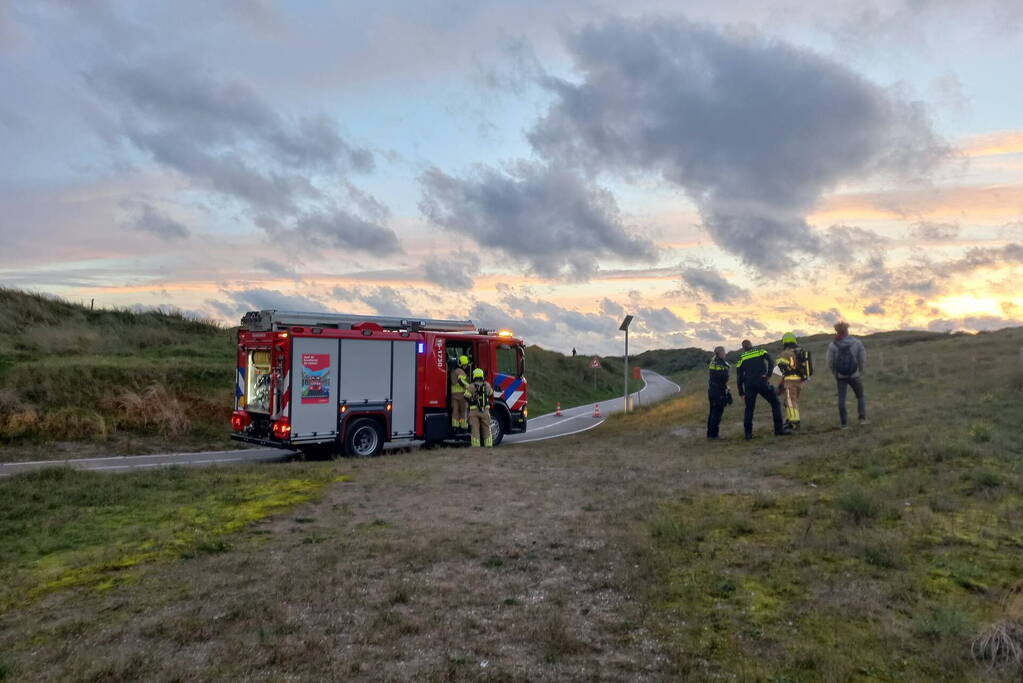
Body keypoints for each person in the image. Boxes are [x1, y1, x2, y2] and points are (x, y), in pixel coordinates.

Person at [736, 339, 791, 440]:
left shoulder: (741, 358)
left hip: (749, 386)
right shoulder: (760, 351)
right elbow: (770, 360)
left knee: (749, 409)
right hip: (761, 382)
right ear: (751, 344)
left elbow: (739, 376)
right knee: (775, 403)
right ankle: (778, 430)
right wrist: (768, 374)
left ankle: (748, 435)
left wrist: (741, 392)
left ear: (743, 347)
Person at [826, 321, 867, 428]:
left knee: (842, 399)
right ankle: (862, 419)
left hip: (841, 376)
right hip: (855, 374)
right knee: (860, 396)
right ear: (847, 330)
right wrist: (860, 371)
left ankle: (844, 424)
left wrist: (835, 373)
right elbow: (862, 359)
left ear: (837, 331)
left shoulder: (833, 344)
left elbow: (830, 362)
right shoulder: (857, 342)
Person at [776, 332, 813, 431]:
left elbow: (781, 367)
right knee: (793, 401)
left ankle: (794, 423)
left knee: (790, 402)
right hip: (800, 381)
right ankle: (790, 419)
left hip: (789, 381)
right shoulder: (800, 351)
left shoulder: (784, 353)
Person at [464, 368, 495, 447]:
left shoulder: (471, 386)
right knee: (486, 428)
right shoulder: (487, 385)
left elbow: (466, 397)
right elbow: (491, 393)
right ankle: (488, 444)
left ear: (474, 376)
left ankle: (476, 446)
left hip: (474, 411)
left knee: (475, 429)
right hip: (485, 411)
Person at [706, 346, 732, 439]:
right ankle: (714, 435)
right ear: (720, 353)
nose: (725, 353)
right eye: (724, 352)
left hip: (712, 389)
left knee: (712, 411)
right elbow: (724, 377)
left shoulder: (713, 361)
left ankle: (710, 434)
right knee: (717, 413)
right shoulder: (720, 363)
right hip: (718, 390)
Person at [449, 354, 471, 430]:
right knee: (463, 411)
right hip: (461, 395)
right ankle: (463, 426)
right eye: (465, 365)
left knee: (455, 411)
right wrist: (469, 386)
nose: (466, 366)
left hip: (454, 395)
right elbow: (461, 381)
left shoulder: (453, 371)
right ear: (462, 364)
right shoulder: (461, 372)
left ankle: (455, 425)